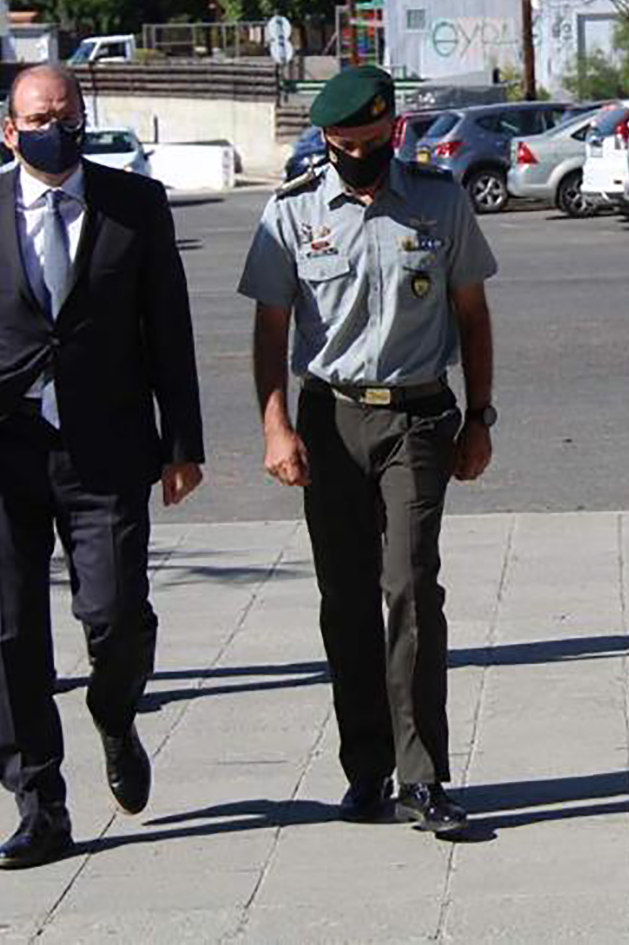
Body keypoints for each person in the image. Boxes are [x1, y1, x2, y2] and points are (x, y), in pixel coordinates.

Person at [0, 63, 204, 870]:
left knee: (114, 619)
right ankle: (40, 805)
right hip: (3, 451)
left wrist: (184, 444)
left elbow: (168, 331)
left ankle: (116, 714)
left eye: (67, 113)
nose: (55, 125)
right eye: (39, 115)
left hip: (106, 449)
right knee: (11, 636)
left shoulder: (134, 205)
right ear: (10, 129)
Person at [238, 65, 497, 838]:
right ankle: (365, 767)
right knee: (346, 599)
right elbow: (269, 330)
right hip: (330, 419)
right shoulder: (291, 213)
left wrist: (479, 417)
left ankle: (423, 778)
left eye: (366, 142)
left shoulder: (440, 202)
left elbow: (474, 315)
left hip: (417, 415)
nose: (352, 154)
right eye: (338, 144)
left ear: (393, 133)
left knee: (412, 585)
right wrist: (274, 424)